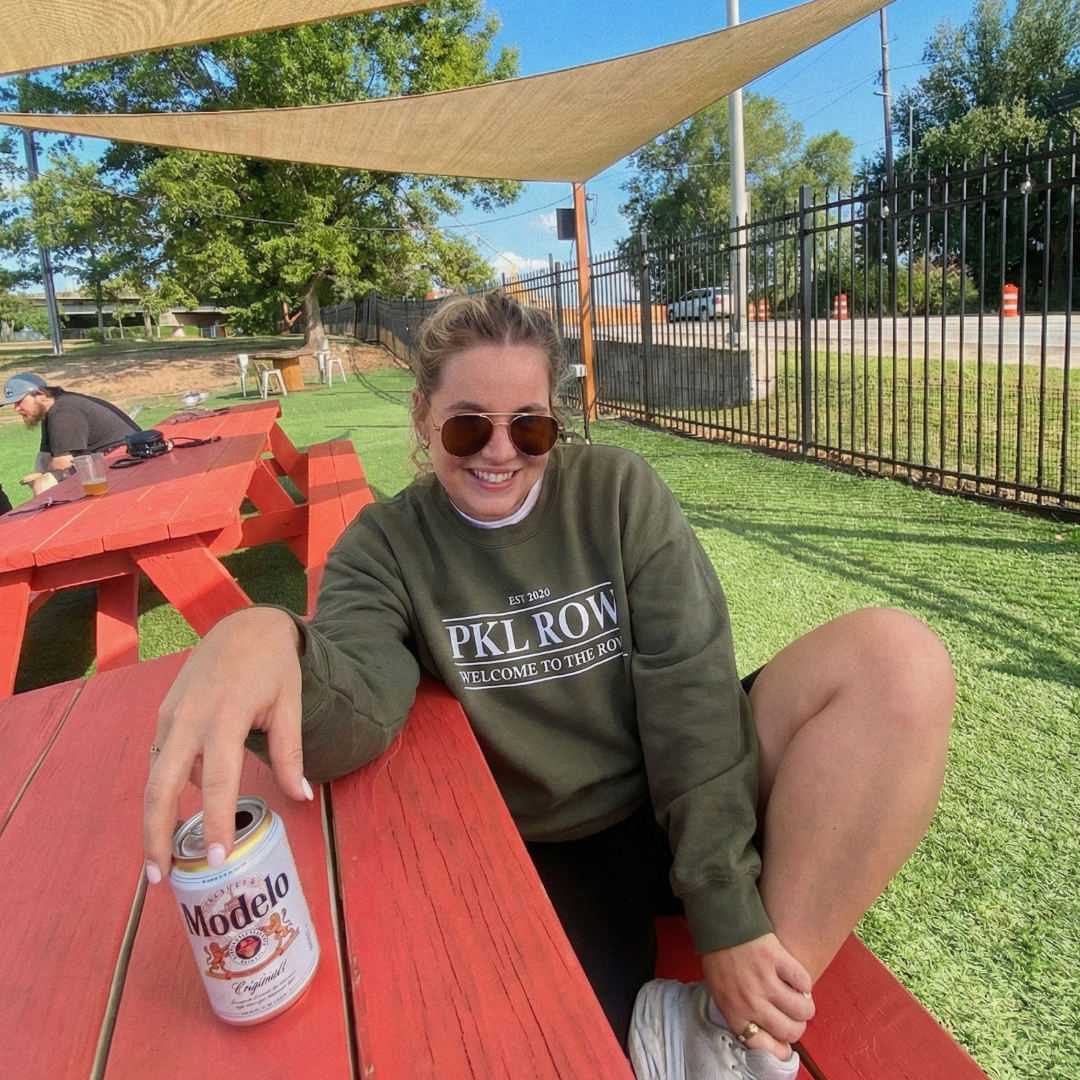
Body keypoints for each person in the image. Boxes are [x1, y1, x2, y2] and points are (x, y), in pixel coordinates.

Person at [143, 293, 954, 1080]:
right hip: (556, 850)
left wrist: (727, 915)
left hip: (694, 795)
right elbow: (354, 715)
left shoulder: (616, 492)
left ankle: (730, 1032)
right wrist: (267, 634)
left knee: (896, 659)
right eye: (468, 425)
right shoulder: (386, 546)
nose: (501, 452)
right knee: (547, 1053)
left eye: (529, 425)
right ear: (424, 416)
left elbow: (693, 692)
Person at [1, 372, 140, 496]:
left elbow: (62, 463)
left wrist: (43, 478)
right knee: (44, 480)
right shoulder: (50, 410)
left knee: (45, 484)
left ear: (41, 396)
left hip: (123, 458)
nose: (16, 408)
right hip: (114, 457)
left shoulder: (63, 412)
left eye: (19, 402)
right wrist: (40, 474)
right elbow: (44, 455)